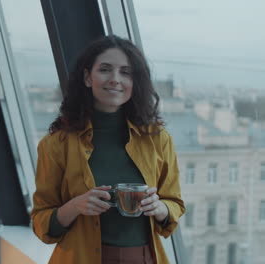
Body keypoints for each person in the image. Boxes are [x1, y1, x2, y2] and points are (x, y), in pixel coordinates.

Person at [30, 35, 185, 264]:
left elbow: (175, 204)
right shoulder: (56, 145)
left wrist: (160, 207)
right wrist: (75, 206)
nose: (115, 79)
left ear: (135, 82)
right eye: (105, 69)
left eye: (126, 72)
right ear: (87, 77)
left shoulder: (158, 139)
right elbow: (41, 223)